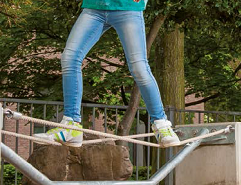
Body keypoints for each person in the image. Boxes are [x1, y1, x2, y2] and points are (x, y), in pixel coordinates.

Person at [34, 0, 180, 147]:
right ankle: (71, 126)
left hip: (127, 8)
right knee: (69, 58)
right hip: (94, 8)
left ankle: (161, 124)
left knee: (139, 67)